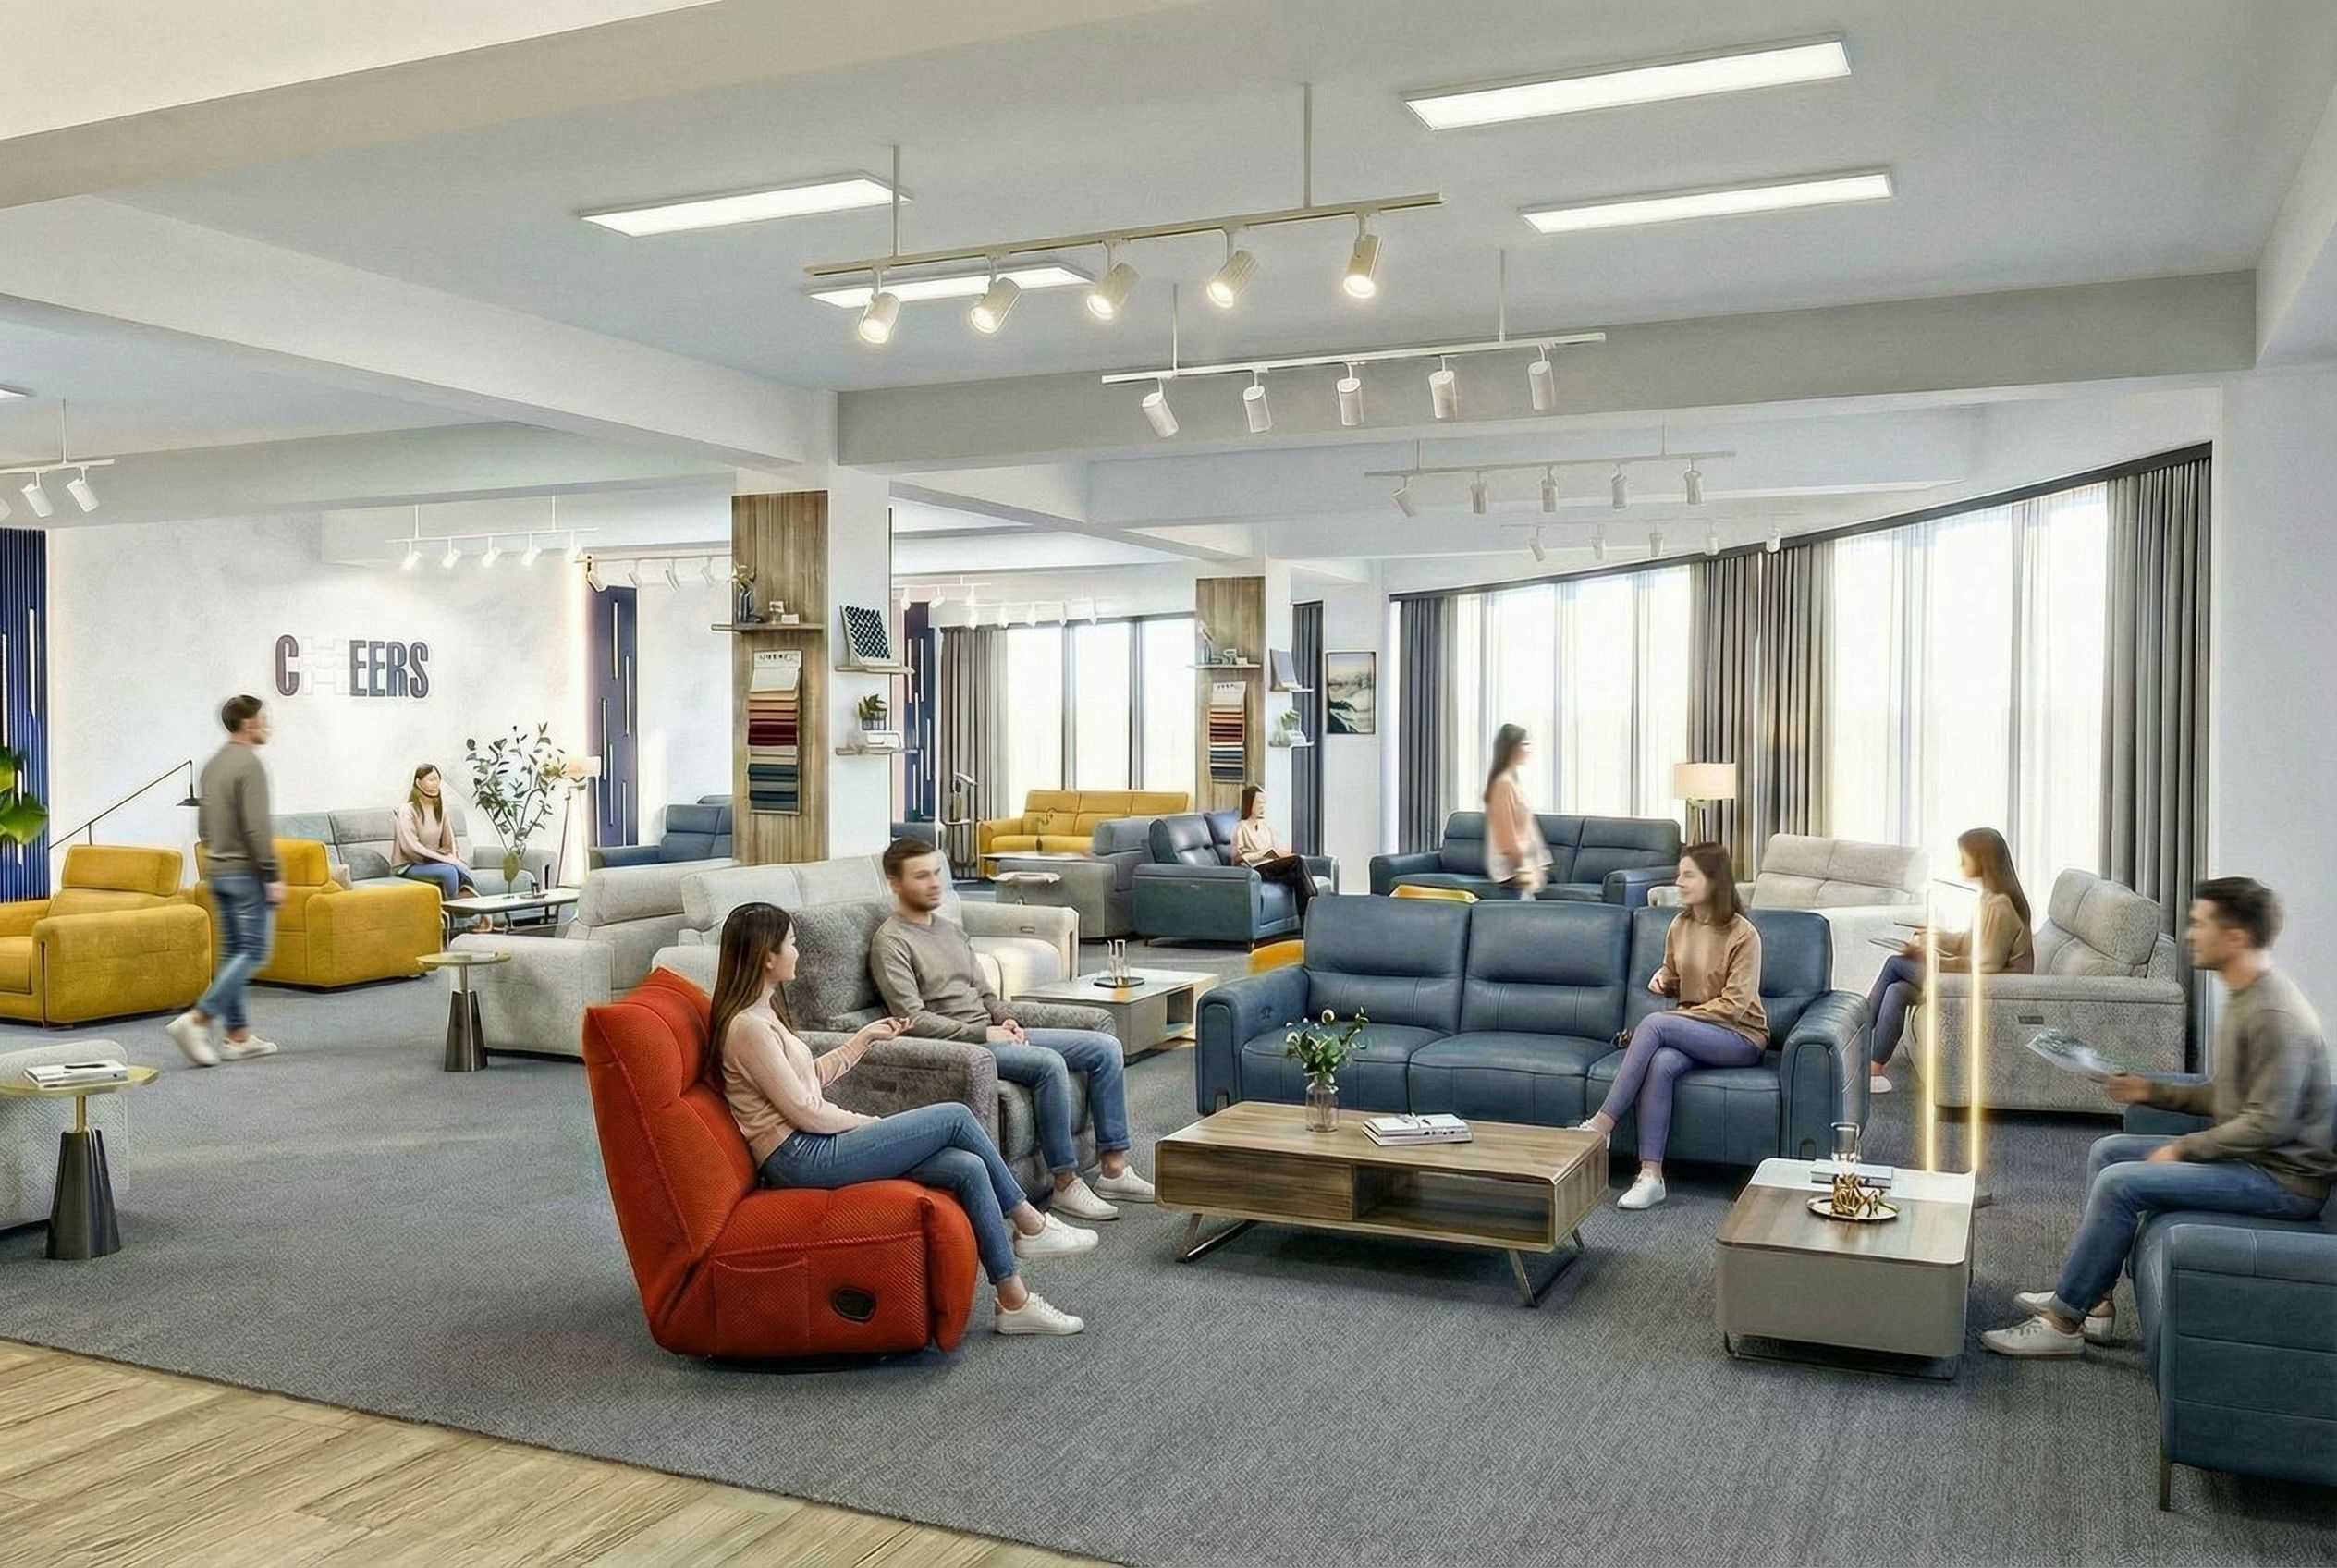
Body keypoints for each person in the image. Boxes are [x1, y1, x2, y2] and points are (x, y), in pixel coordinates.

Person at [1984, 876, 2333, 1357]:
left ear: (2235, 937)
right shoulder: (2246, 995)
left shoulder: (2273, 1013)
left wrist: (2184, 1148)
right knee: (2108, 1152)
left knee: (2121, 1183)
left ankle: (2063, 1323)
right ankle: (2095, 1298)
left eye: (2201, 925)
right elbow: (2228, 1096)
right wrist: (2150, 1090)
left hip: (2283, 1182)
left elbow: (2269, 1123)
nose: (2190, 935)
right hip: (2259, 1159)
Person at [710, 901, 1091, 1337]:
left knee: (966, 1166)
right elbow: (806, 1111)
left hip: (809, 1143)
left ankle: (1013, 1300)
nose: (798, 953)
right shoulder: (749, 1028)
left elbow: (808, 1079)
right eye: (792, 944)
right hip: (799, 1156)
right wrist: (868, 1123)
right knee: (956, 1117)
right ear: (768, 957)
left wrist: (862, 1040)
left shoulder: (765, 1016)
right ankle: (1028, 1222)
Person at [872, 838, 1156, 1222]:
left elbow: (986, 993)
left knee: (1105, 1047)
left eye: (936, 873)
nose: (935, 883)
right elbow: (913, 1020)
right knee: (1048, 1064)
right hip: (962, 1048)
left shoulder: (951, 930)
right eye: (921, 876)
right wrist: (984, 1035)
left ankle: (1114, 1169)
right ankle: (1065, 1183)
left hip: (993, 1032)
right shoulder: (891, 942)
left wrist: (1005, 1019)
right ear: (895, 883)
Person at [1577, 842, 1768, 1210]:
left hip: (1741, 1036)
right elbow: (1678, 977)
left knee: (1654, 1025)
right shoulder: (1680, 925)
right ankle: (1651, 1177)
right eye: (1680, 874)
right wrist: (1665, 980)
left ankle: (1601, 1126)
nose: (1678, 882)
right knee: (1662, 1062)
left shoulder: (1743, 935)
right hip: (1695, 1031)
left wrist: (1671, 1019)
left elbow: (1733, 1007)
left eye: (1688, 875)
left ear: (1714, 880)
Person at [1866, 827, 2034, 1095]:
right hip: (1975, 981)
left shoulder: (2000, 905)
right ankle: (1874, 1069)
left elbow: (1986, 963)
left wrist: (1930, 958)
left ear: (1982, 860)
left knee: (1895, 964)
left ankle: (1853, 1031)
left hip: (1991, 988)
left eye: (1964, 858)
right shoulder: (1988, 899)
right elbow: (1967, 943)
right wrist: (1934, 936)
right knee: (1898, 990)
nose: (1960, 863)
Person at [166, 695, 285, 1066]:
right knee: (254, 951)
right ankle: (198, 1019)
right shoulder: (249, 764)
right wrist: (272, 874)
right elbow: (256, 827)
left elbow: (204, 825)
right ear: (248, 724)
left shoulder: (213, 765)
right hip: (246, 873)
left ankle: (237, 1037)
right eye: (263, 719)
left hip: (217, 870)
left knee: (234, 952)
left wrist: (216, 858)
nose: (267, 725)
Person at [392, 763, 481, 901]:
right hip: (409, 865)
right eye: (431, 780)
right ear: (418, 782)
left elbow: (449, 841)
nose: (436, 784)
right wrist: (445, 859)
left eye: (438, 780)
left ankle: (473, 908)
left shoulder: (441, 809)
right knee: (449, 871)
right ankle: (454, 911)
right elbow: (411, 848)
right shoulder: (407, 810)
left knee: (460, 868)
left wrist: (454, 859)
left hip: (433, 861)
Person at [1232, 784, 1317, 922]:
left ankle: (1306, 919)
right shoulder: (1241, 827)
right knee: (1297, 861)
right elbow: (1236, 857)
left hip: (1271, 866)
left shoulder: (1266, 826)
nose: (1262, 807)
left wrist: (1282, 853)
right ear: (1249, 803)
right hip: (1256, 869)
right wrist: (1261, 854)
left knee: (1297, 874)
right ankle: (1314, 904)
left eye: (1264, 803)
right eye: (1259, 803)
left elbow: (1275, 847)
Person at [1483, 724, 1549, 899]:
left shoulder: (1512, 781)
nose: (1529, 749)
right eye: (1524, 744)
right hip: (1512, 873)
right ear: (1512, 748)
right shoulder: (1504, 784)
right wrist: (1524, 867)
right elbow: (1506, 835)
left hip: (1521, 869)